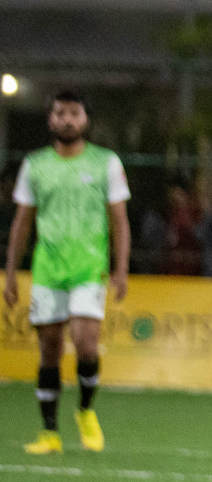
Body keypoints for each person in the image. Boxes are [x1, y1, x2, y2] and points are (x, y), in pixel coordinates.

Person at [3, 90, 130, 454]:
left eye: (74, 113)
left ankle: (86, 411)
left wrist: (121, 268)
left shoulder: (106, 162)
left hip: (89, 268)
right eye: (60, 113)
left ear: (85, 120)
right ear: (50, 119)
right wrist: (11, 273)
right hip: (47, 270)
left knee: (86, 343)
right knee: (50, 350)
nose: (67, 120)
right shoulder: (35, 165)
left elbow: (119, 220)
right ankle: (49, 433)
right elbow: (22, 223)